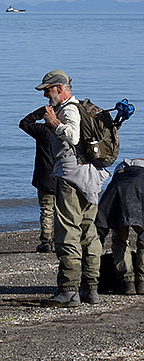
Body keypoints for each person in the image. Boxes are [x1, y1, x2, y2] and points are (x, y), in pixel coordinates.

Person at [37, 70, 109, 307]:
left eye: (48, 90)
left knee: (68, 231)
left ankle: (68, 290)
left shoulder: (69, 110)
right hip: (90, 176)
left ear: (59, 87)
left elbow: (74, 137)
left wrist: (54, 123)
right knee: (89, 232)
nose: (46, 96)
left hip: (71, 177)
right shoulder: (82, 108)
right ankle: (91, 288)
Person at [95, 158, 144, 295]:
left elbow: (101, 218)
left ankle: (126, 282)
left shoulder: (119, 172)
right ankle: (142, 282)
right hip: (140, 189)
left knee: (119, 238)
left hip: (117, 191)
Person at [19, 106, 58, 253]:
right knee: (61, 212)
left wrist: (42, 112)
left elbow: (24, 123)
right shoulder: (66, 131)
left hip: (45, 178)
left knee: (46, 210)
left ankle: (46, 241)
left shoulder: (43, 131)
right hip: (63, 177)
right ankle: (59, 240)